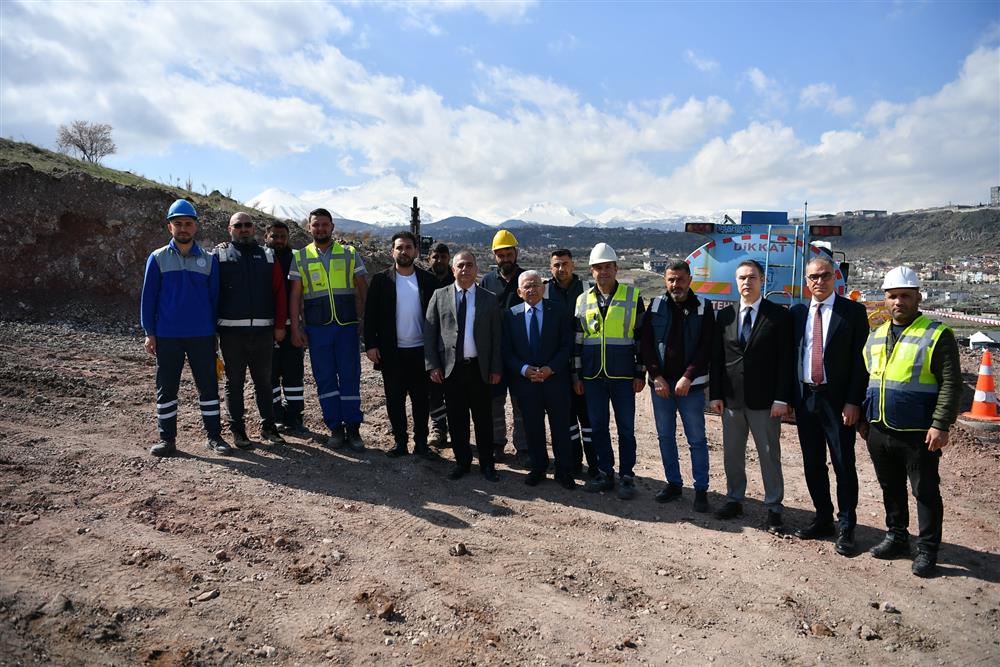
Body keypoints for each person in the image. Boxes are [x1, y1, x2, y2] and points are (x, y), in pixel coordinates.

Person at [861, 266, 961, 577]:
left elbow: (951, 383)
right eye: (892, 296)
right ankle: (897, 536)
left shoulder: (937, 334)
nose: (898, 302)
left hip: (918, 432)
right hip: (879, 427)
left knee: (925, 492)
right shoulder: (876, 335)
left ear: (918, 297)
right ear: (885, 299)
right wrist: (865, 418)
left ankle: (928, 549)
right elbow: (867, 378)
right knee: (890, 487)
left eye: (905, 295)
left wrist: (941, 424)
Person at [790, 255, 870, 555]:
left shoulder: (853, 312)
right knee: (812, 462)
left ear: (835, 277)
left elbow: (861, 363)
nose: (819, 281)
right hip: (806, 398)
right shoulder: (798, 313)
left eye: (825, 275)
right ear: (806, 281)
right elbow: (792, 355)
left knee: (842, 463)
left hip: (838, 402)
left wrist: (853, 401)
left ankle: (847, 526)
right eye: (813, 277)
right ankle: (823, 517)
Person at [140, 199, 230, 456]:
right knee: (167, 387)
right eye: (177, 223)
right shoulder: (157, 258)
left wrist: (215, 333)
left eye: (188, 223)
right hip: (168, 336)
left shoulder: (209, 260)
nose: (183, 228)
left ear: (195, 226)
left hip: (202, 335)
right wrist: (149, 333)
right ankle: (167, 439)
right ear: (170, 227)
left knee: (208, 386)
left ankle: (214, 437)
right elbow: (148, 298)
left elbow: (215, 299)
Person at [709, 259, 794, 531]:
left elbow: (786, 361)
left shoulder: (778, 316)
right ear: (736, 282)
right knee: (732, 454)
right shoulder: (725, 316)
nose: (747, 282)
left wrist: (782, 398)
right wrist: (715, 394)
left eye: (752, 277)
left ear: (762, 280)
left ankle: (774, 507)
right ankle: (734, 499)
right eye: (742, 278)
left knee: (769, 455)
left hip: (765, 402)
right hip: (732, 400)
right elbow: (717, 359)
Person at [289, 208, 368, 450]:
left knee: (350, 376)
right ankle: (335, 427)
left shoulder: (349, 253)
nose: (320, 228)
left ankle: (353, 428)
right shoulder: (300, 257)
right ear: (309, 227)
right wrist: (296, 327)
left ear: (332, 227)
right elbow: (295, 295)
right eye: (316, 224)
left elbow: (362, 288)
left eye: (325, 224)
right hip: (317, 328)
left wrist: (364, 319)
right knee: (324, 378)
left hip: (346, 327)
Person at [638, 260, 714, 513]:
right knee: (665, 437)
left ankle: (701, 490)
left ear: (690, 280)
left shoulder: (703, 307)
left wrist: (688, 377)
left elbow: (706, 346)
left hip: (690, 387)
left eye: (680, 279)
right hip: (661, 387)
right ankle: (673, 484)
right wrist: (656, 376)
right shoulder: (656, 305)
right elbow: (646, 343)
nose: (675, 284)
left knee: (697, 439)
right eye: (671, 279)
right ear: (665, 280)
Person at [573, 243, 646, 500]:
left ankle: (627, 476)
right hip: (593, 376)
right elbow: (578, 341)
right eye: (598, 268)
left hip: (623, 376)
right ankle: (605, 473)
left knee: (626, 429)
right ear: (591, 271)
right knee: (598, 427)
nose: (603, 272)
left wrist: (640, 372)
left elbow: (641, 338)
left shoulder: (632, 296)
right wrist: (577, 375)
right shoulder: (582, 300)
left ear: (616, 268)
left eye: (607, 267)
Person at [424, 250, 502, 482]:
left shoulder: (489, 298)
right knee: (457, 419)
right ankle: (462, 462)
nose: (465, 269)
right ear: (453, 269)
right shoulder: (440, 295)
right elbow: (430, 332)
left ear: (476, 269)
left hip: (480, 369)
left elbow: (497, 337)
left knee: (483, 419)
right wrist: (432, 365)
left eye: (469, 265)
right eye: (460, 265)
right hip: (452, 369)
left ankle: (487, 464)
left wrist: (496, 367)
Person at [214, 212, 288, 448]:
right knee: (234, 383)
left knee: (264, 382)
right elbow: (211, 294)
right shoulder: (219, 255)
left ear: (254, 228)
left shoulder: (268, 255)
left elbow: (279, 292)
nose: (243, 229)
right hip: (231, 333)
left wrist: (280, 325)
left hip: (263, 332)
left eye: (247, 225)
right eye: (238, 225)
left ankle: (269, 428)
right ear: (230, 229)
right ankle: (238, 431)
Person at [364, 232, 439, 458]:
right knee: (395, 400)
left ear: (415, 251)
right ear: (392, 252)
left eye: (408, 247)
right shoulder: (381, 280)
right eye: (399, 247)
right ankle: (400, 442)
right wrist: (371, 345)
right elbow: (371, 315)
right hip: (391, 352)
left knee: (421, 401)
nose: (403, 251)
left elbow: (437, 318)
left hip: (421, 352)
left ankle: (421, 443)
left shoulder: (428, 280)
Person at [501, 271, 576, 490]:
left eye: (535, 285)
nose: (532, 289)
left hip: (555, 381)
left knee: (560, 427)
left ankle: (564, 470)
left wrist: (550, 368)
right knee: (532, 427)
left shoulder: (558, 311)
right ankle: (538, 467)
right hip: (526, 383)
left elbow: (567, 345)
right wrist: (524, 370)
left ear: (543, 288)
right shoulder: (510, 315)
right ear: (519, 292)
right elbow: (507, 350)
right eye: (527, 286)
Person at [544, 249, 598, 478]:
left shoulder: (588, 289)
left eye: (565, 264)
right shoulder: (544, 290)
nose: (561, 269)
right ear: (550, 268)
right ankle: (573, 462)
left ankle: (595, 465)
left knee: (588, 418)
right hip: (556, 367)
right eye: (556, 265)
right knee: (565, 420)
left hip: (584, 366)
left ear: (573, 265)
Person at [481, 229, 528, 465]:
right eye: (501, 255)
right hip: (496, 353)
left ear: (516, 253)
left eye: (509, 254)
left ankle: (524, 447)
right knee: (495, 402)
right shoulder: (487, 282)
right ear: (495, 256)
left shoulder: (526, 280)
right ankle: (497, 444)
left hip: (521, 352)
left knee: (521, 404)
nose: (505, 259)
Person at [265, 221, 307, 435]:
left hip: (293, 327)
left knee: (294, 374)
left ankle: (295, 417)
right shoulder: (261, 257)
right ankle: (275, 416)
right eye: (274, 236)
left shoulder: (297, 258)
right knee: (269, 375)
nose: (279, 240)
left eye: (283, 236)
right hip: (266, 328)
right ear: (266, 237)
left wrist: (302, 326)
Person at [427, 242, 454, 448]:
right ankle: (438, 427)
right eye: (435, 257)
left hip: (452, 345)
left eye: (443, 257)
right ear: (429, 258)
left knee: (454, 389)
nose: (439, 261)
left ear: (449, 259)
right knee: (433, 389)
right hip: (429, 342)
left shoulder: (458, 279)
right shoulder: (422, 280)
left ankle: (457, 427)